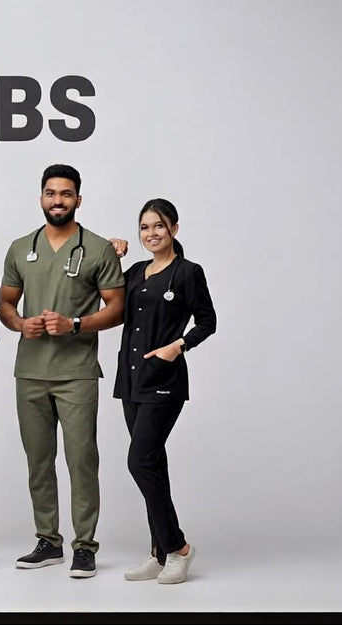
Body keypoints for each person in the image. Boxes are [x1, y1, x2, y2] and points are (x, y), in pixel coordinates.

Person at [0, 163, 127, 579]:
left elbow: (116, 308)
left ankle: (85, 546)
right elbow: (5, 304)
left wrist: (75, 324)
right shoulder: (21, 248)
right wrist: (20, 324)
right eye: (51, 193)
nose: (58, 200)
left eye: (66, 194)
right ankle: (48, 541)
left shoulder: (98, 249)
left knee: (81, 460)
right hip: (31, 372)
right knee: (39, 461)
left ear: (78, 200)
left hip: (77, 372)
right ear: (41, 198)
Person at [114, 198, 215, 585]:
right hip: (131, 379)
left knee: (139, 462)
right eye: (144, 228)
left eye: (158, 226)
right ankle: (159, 551)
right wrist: (112, 259)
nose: (150, 234)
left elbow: (208, 321)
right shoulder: (135, 272)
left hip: (164, 380)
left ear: (173, 228)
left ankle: (179, 548)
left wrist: (180, 345)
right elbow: (107, 303)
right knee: (153, 465)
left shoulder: (188, 273)